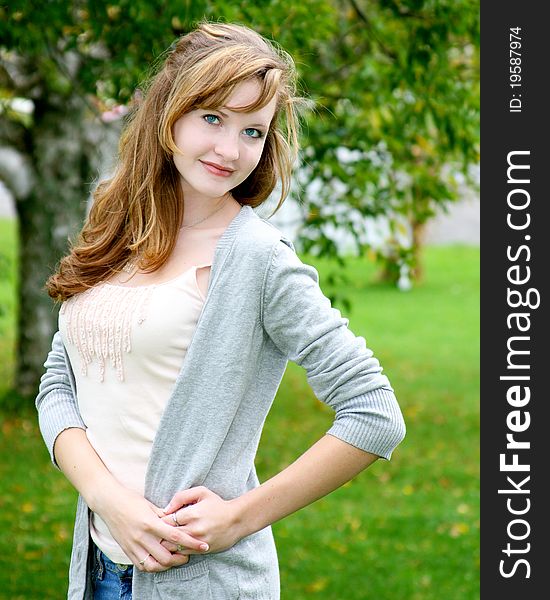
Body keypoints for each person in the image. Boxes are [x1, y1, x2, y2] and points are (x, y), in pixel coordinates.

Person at [35, 20, 406, 600]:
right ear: (169, 112)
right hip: (99, 574)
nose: (230, 151)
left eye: (253, 132)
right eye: (213, 118)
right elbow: (60, 383)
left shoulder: (257, 261)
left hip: (204, 583)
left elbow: (374, 412)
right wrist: (109, 500)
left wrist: (240, 517)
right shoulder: (115, 224)